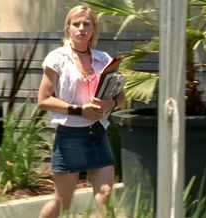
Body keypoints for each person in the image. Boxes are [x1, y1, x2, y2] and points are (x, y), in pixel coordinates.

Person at [38, 5, 125, 218]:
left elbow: (121, 98)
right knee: (62, 203)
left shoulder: (104, 59)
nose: (81, 28)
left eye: (87, 24)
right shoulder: (57, 58)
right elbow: (43, 100)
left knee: (105, 196)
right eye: (76, 24)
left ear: (94, 29)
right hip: (70, 137)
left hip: (98, 133)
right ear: (68, 28)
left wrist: (109, 106)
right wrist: (79, 110)